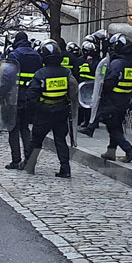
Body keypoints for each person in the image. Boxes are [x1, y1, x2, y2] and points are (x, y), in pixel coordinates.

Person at [23, 40, 76, 178]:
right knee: (60, 140)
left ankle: (30, 166)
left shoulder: (40, 74)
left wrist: (38, 107)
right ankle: (65, 168)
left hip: (44, 113)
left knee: (36, 140)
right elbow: (73, 91)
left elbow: (31, 95)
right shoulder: (66, 72)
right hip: (61, 112)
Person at [83, 33, 132, 163]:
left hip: (112, 100)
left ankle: (129, 150)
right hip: (125, 100)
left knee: (112, 128)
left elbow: (109, 82)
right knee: (116, 126)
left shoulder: (117, 63)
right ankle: (111, 151)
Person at [4, 31, 43, 170]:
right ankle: (29, 159)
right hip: (31, 97)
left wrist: (3, 94)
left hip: (15, 97)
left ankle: (16, 160)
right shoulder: (36, 56)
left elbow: (7, 77)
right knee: (25, 129)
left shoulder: (14, 55)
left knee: (13, 129)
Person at [77, 40, 98, 127]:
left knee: (85, 105)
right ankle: (93, 122)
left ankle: (87, 122)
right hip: (95, 86)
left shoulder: (82, 62)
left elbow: (79, 74)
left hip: (85, 86)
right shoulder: (98, 61)